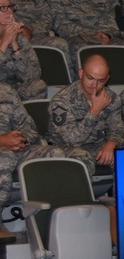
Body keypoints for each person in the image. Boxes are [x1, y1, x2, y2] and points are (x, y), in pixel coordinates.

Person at [0, 83, 84, 238]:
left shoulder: (6, 90)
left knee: (57, 154)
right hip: (4, 154)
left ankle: (56, 220)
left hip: (17, 150)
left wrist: (21, 138)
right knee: (5, 157)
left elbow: (29, 128)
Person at [47, 53, 124, 169]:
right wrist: (94, 111)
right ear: (81, 74)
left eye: (100, 80)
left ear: (107, 79)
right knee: (82, 156)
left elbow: (119, 130)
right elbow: (72, 141)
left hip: (99, 147)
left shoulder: (112, 98)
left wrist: (111, 144)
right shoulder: (61, 101)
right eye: (90, 78)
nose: (94, 85)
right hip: (66, 149)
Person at [0, 0, 46, 101]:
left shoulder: (18, 37)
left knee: (37, 85)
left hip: (13, 88)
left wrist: (15, 44)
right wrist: (4, 43)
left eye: (10, 7)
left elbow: (32, 76)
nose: (10, 11)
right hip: (3, 90)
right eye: (3, 8)